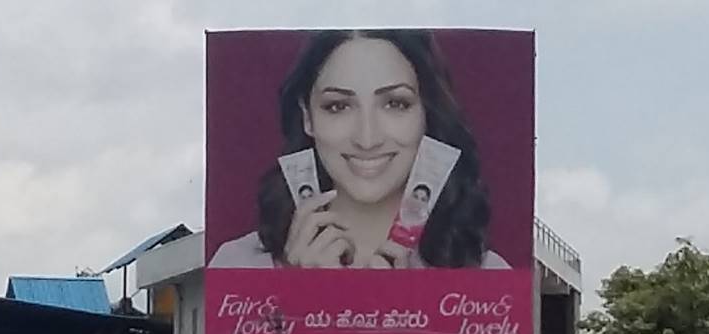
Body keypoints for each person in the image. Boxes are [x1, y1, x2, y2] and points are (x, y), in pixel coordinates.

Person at [210, 30, 510, 271]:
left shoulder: (487, 274)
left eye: (395, 103)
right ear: (307, 118)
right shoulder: (238, 265)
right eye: (338, 106)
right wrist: (300, 296)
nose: (367, 139)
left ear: (426, 115)